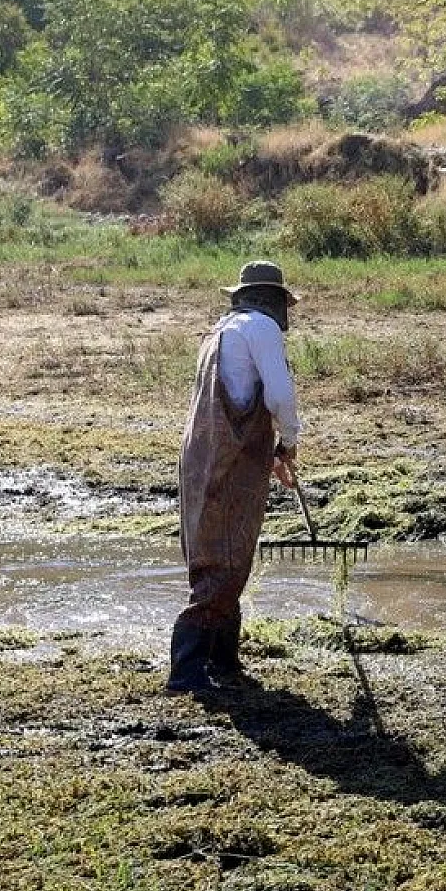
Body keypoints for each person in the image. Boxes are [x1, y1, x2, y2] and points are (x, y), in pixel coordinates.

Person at [167, 261, 302, 694]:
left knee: (214, 552)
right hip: (233, 455)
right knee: (228, 555)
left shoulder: (220, 330)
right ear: (274, 300)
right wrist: (289, 440)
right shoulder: (262, 328)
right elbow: (279, 395)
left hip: (199, 454)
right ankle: (187, 670)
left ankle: (223, 660)